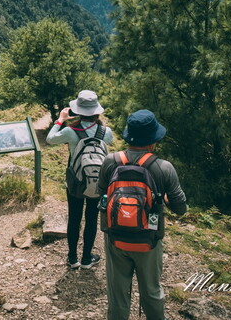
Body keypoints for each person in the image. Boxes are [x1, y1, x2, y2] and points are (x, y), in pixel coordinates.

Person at [97, 110, 187, 320]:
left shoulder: (110, 161)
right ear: (153, 140)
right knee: (152, 293)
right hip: (149, 240)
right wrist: (162, 199)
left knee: (118, 297)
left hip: (115, 239)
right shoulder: (164, 168)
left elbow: (100, 193)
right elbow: (181, 208)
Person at [46, 90, 114, 269]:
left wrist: (60, 119)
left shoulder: (70, 131)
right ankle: (86, 259)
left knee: (74, 218)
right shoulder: (106, 132)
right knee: (92, 218)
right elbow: (110, 143)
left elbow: (50, 139)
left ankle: (72, 258)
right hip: (97, 181)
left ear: (78, 110)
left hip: (75, 181)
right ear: (96, 111)